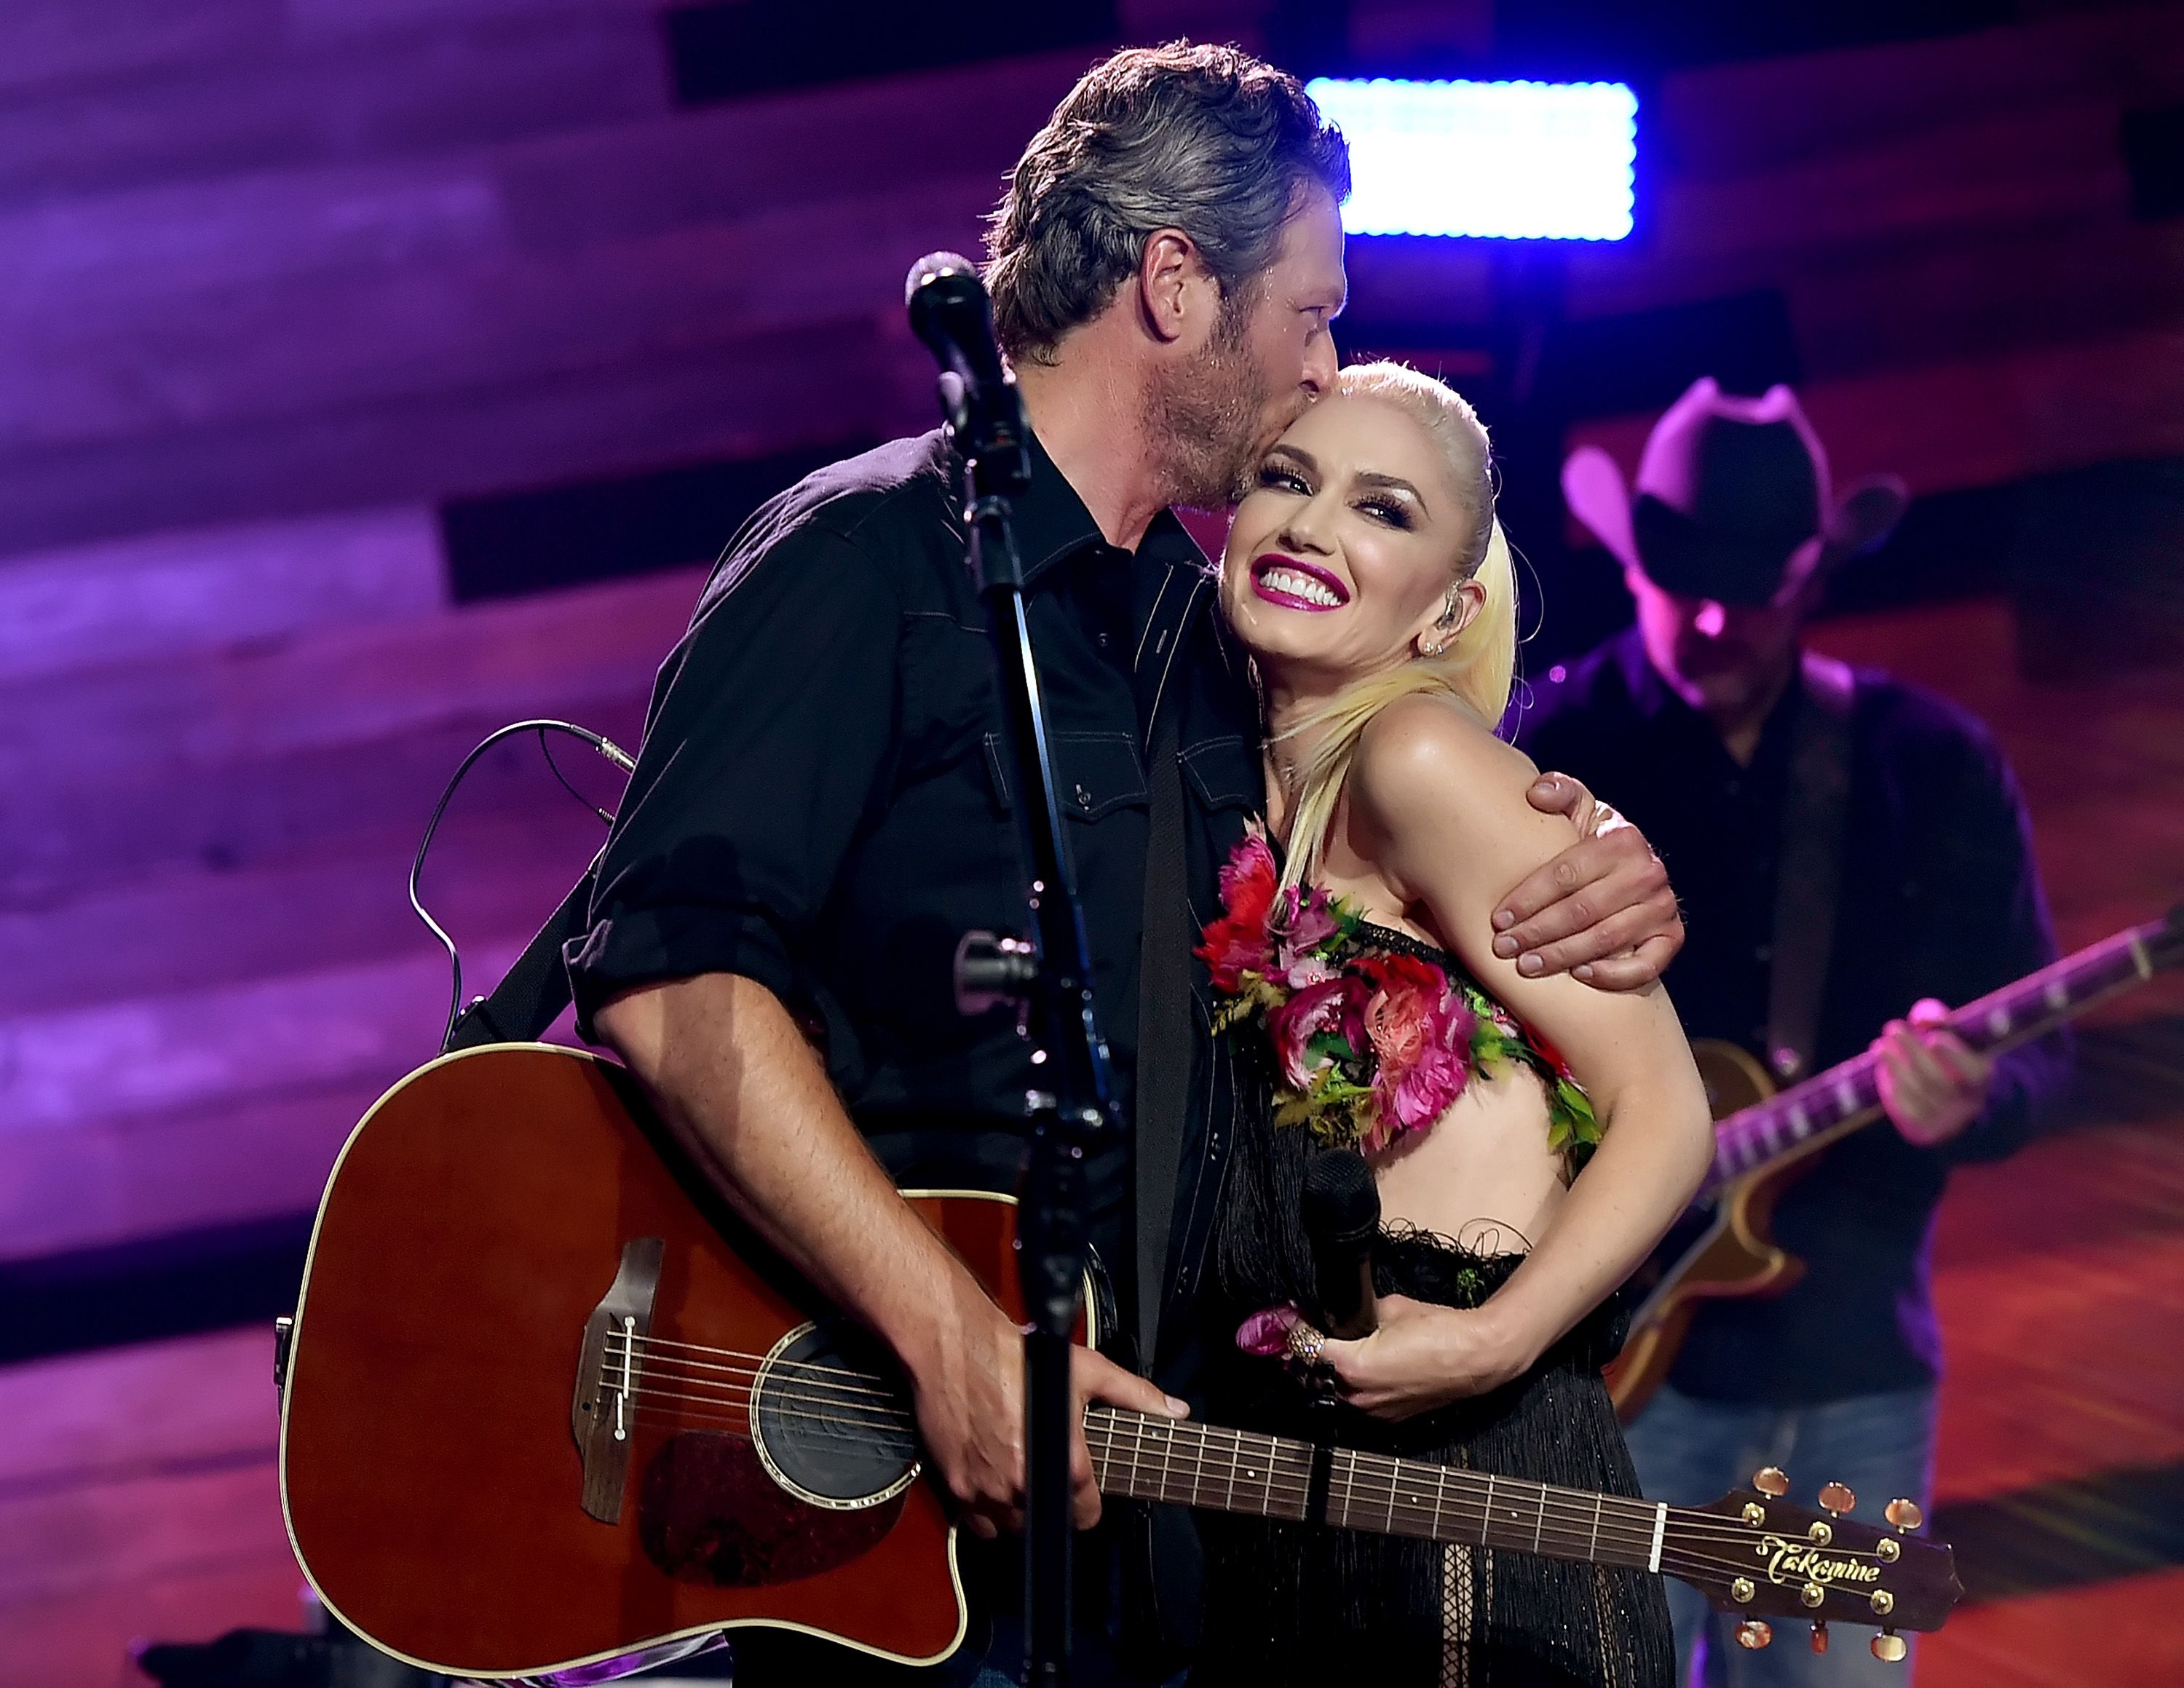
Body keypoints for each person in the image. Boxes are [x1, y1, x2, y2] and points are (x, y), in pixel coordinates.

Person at [569, 44, 1685, 1685]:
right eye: (1311, 314)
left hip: (1153, 1543)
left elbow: (1395, 811)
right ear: (1177, 283)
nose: (1324, 367)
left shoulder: (1188, 629)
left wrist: (1600, 847)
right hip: (881, 1504)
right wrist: (946, 1333)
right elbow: (672, 979)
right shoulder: (864, 561)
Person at [1519, 380, 2071, 1686]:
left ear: (1815, 573)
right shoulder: (1549, 747)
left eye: (1753, 588)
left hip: (1853, 1373)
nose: (1713, 617)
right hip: (1604, 1382)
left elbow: (2046, 1054)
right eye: (1684, 579)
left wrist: (1971, 1099)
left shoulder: (1929, 762)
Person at [1184, 362, 1712, 1687]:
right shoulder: (1209, 783)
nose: (1310, 527)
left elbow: (1667, 1113)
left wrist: (1496, 1336)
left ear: (1451, 606)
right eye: (1287, 481)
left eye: (1383, 509)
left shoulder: (1416, 760)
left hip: (1485, 1504)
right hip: (1288, 1504)